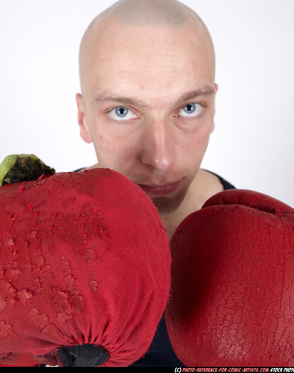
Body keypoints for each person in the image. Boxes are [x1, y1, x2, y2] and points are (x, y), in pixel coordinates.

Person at [75, 0, 234, 366]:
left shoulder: (266, 241)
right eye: (123, 112)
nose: (161, 159)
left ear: (213, 110)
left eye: (189, 108)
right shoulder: (34, 244)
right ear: (84, 119)